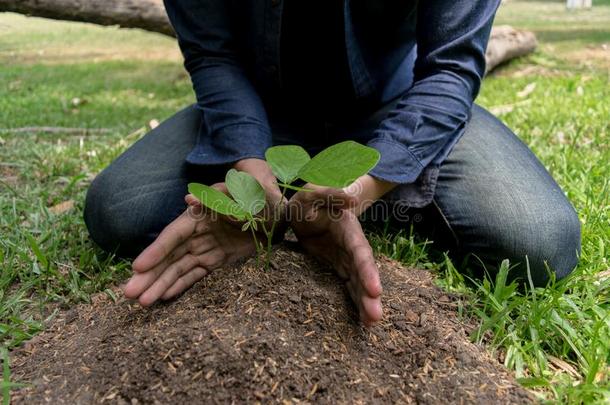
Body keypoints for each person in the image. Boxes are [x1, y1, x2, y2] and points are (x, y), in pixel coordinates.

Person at [84, 0, 581, 326]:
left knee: (539, 240)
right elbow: (213, 55)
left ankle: (368, 201)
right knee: (118, 209)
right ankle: (297, 199)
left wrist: (362, 188)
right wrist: (246, 162)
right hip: (263, 110)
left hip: (400, 106)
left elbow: (449, 70)